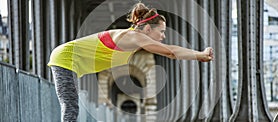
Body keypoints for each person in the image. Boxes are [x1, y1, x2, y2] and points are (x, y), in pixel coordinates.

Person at [48, 2, 213, 121]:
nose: (163, 36)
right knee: (71, 106)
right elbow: (170, 52)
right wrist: (199, 55)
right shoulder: (135, 37)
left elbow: (169, 50)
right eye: (161, 31)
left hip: (70, 62)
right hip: (65, 58)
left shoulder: (134, 40)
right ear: (148, 29)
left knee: (71, 105)